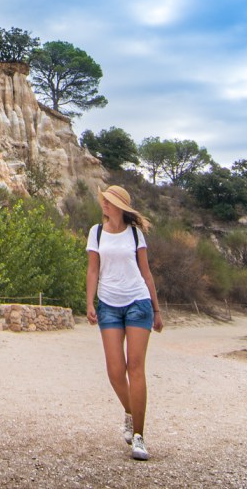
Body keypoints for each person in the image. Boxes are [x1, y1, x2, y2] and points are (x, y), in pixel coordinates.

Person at [85, 184, 163, 461]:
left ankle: (139, 436)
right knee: (115, 371)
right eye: (104, 200)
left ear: (120, 206)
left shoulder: (135, 234)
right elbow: (92, 270)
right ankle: (130, 411)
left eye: (109, 201)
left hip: (138, 303)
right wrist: (89, 302)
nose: (104, 204)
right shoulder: (96, 232)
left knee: (136, 367)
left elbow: (146, 273)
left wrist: (156, 310)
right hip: (108, 305)